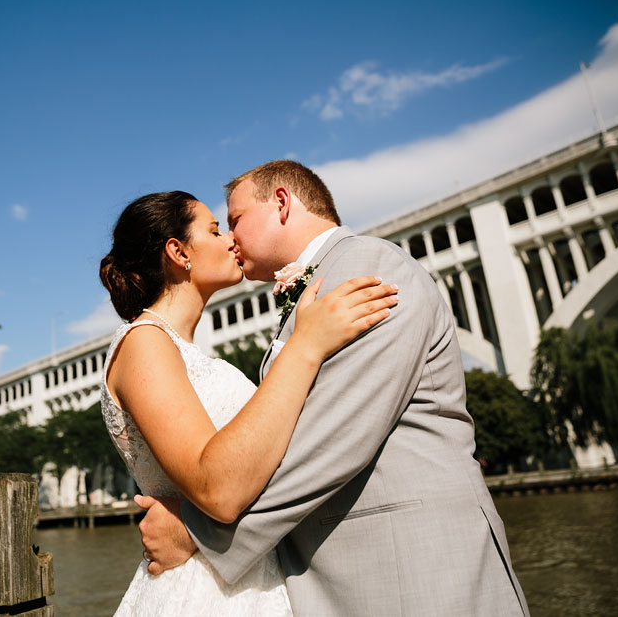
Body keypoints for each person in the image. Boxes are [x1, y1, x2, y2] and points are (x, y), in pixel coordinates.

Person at [136, 161, 531, 616]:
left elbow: (334, 437)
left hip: (420, 577)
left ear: (282, 203)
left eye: (236, 220)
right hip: (357, 580)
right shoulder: (322, 286)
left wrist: (196, 532)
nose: (231, 238)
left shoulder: (369, 267)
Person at [99, 190, 398, 615]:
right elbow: (217, 489)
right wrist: (305, 346)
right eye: (216, 230)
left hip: (251, 575)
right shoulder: (144, 342)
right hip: (207, 592)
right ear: (178, 251)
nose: (231, 240)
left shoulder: (190, 354)